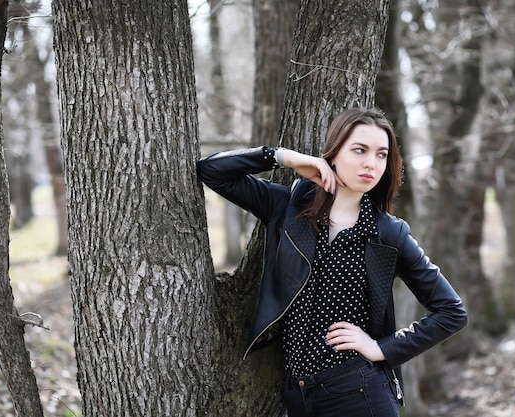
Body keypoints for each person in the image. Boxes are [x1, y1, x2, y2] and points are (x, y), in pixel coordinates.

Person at [197, 107, 468, 417]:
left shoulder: (388, 233)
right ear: (334, 153)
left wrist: (381, 349)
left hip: (357, 391)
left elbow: (451, 311)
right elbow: (211, 171)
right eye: (359, 150)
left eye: (381, 154)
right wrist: (286, 157)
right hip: (296, 395)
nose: (371, 163)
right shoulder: (287, 208)